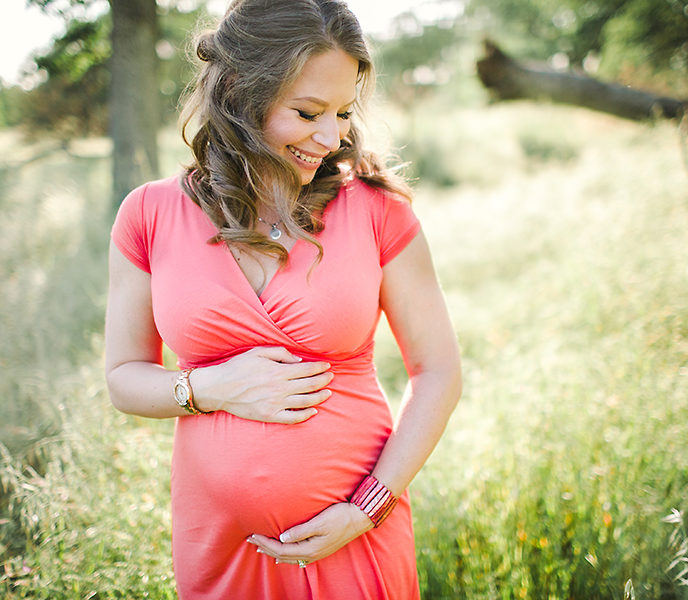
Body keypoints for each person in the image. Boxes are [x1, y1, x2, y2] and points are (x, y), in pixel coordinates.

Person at [103, 0, 461, 597]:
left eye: (344, 112)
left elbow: (439, 371)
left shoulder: (376, 211)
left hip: (354, 535)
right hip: (221, 549)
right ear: (241, 91)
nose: (332, 136)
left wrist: (368, 508)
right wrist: (207, 388)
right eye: (308, 112)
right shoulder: (149, 214)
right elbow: (123, 378)